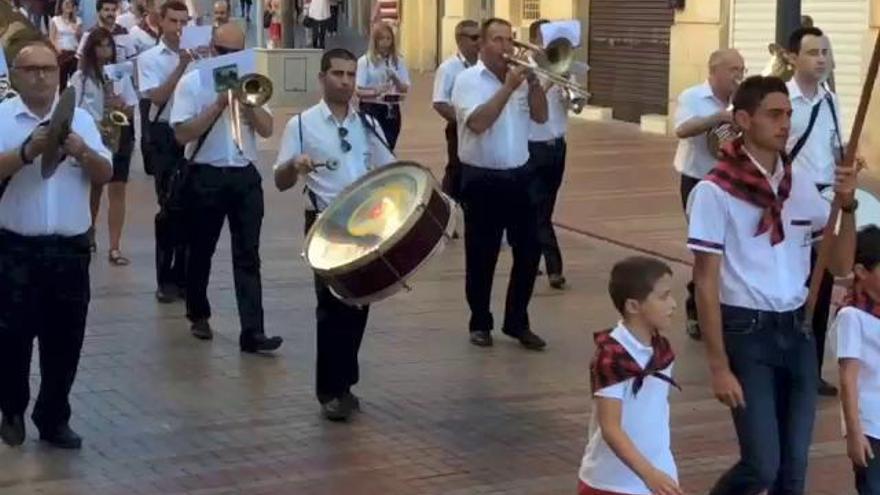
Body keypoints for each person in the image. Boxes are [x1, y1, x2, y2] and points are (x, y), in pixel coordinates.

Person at [688, 75, 860, 495]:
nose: (785, 123)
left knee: (793, 471)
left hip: (798, 331)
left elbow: (839, 264)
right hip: (747, 333)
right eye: (775, 114)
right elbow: (705, 282)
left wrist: (848, 205)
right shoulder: (716, 190)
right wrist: (717, 365)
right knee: (762, 465)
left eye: (789, 114)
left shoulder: (799, 184)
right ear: (744, 119)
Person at [0, 41, 113, 450]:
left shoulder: (80, 118)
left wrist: (82, 152)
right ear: (15, 75)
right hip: (15, 249)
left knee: (64, 340)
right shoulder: (2, 118)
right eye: (31, 70)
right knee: (11, 337)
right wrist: (28, 150)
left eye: (48, 69)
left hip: (69, 250)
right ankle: (11, 407)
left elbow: (105, 173)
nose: (42, 76)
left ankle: (53, 416)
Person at [273, 48, 395, 421]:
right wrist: (295, 165)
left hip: (363, 224)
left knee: (359, 302)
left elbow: (389, 168)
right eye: (338, 74)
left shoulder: (366, 123)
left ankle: (346, 381)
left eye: (350, 75)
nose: (345, 81)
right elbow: (279, 180)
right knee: (330, 307)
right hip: (325, 225)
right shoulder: (302, 124)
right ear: (322, 78)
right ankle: (329, 390)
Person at [170, 24, 283, 353]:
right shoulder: (192, 82)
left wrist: (248, 104)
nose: (229, 59)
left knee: (248, 254)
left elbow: (267, 129)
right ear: (211, 49)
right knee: (201, 249)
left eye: (237, 53)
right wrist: (218, 104)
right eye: (223, 52)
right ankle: (198, 313)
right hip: (206, 173)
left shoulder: (252, 82)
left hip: (244, 174)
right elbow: (182, 134)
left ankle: (253, 331)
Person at [450, 18, 548, 350]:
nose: (506, 47)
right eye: (498, 40)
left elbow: (541, 117)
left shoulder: (521, 79)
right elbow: (478, 123)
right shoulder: (467, 81)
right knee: (482, 254)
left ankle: (517, 320)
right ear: (482, 45)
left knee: (530, 249)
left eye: (510, 40)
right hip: (482, 178)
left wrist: (534, 86)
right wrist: (507, 88)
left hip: (520, 175)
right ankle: (480, 321)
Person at [579, 256, 681, 495]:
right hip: (610, 483)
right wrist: (648, 474)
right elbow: (610, 427)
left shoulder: (662, 349)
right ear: (633, 306)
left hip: (659, 475)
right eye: (664, 296)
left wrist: (658, 472)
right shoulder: (611, 356)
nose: (674, 304)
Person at [786, 26, 846, 397]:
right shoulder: (781, 100)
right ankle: (789, 365)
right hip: (788, 209)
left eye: (825, 52)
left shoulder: (830, 100)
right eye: (812, 52)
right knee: (792, 288)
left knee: (821, 289)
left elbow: (835, 148)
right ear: (792, 58)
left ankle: (811, 368)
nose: (821, 59)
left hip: (825, 210)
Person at [672, 48, 744, 340]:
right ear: (714, 71)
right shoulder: (692, 97)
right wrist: (718, 118)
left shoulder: (743, 99)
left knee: (731, 250)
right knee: (706, 251)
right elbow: (681, 130)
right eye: (733, 70)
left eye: (742, 69)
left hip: (733, 181)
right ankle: (695, 308)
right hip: (699, 182)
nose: (739, 76)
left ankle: (723, 309)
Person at [137, 0, 193, 303]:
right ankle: (165, 277)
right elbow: (156, 97)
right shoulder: (149, 58)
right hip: (163, 134)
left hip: (192, 131)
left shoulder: (199, 55)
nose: (179, 28)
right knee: (169, 207)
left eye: (185, 22)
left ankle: (185, 276)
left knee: (192, 207)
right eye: (174, 21)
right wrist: (182, 67)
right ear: (161, 23)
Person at [71, 28, 138, 266]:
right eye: (99, 46)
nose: (104, 50)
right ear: (91, 49)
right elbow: (72, 107)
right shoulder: (81, 77)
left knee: (118, 190)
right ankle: (87, 234)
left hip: (119, 133)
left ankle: (115, 246)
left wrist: (121, 105)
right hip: (94, 137)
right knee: (94, 190)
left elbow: (131, 106)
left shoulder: (120, 74)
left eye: (108, 45)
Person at [527, 19, 581, 291]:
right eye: (544, 38)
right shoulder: (524, 69)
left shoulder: (564, 66)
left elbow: (576, 106)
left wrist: (570, 91)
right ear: (535, 40)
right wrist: (550, 79)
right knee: (538, 210)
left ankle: (530, 258)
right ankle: (554, 268)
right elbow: (526, 105)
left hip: (557, 146)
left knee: (544, 208)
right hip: (532, 146)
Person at [835, 226, 880, 495]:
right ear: (862, 272)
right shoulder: (851, 316)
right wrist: (854, 432)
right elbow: (848, 377)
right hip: (871, 426)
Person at [432, 19, 479, 204]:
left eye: (481, 37)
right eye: (474, 38)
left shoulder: (483, 65)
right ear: (460, 40)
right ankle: (448, 209)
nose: (479, 42)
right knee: (456, 172)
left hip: (482, 127)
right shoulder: (448, 68)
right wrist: (464, 121)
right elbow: (439, 102)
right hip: (459, 128)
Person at [356, 22, 410, 152]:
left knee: (389, 144)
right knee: (374, 145)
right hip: (372, 107)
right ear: (375, 41)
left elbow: (405, 88)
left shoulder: (398, 60)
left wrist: (395, 78)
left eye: (388, 39)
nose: (385, 43)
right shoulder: (365, 61)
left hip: (391, 107)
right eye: (381, 39)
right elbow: (358, 91)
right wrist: (376, 91)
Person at [49, 0, 82, 91]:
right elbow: (51, 38)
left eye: (71, 4)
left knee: (74, 82)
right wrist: (57, 49)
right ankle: (62, 101)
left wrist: (77, 31)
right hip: (62, 54)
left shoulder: (78, 21)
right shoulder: (55, 20)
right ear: (61, 5)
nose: (69, 6)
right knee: (62, 82)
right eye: (66, 4)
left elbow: (80, 40)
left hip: (74, 54)